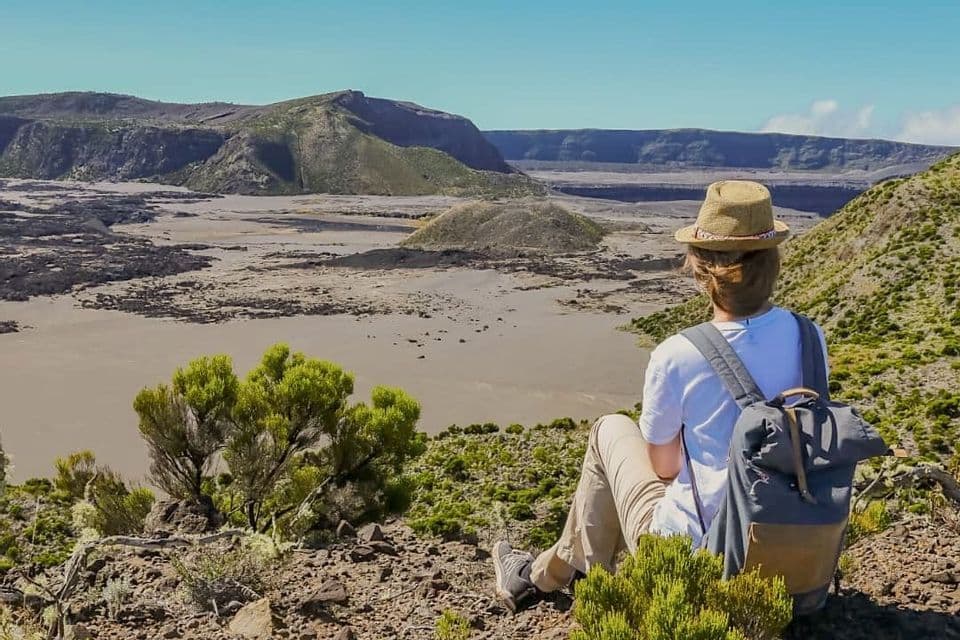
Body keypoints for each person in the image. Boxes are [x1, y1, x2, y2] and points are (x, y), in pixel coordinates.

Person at [492, 180, 828, 611]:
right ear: (773, 263)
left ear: (702, 268)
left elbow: (664, 468)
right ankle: (551, 571)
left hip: (705, 567)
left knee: (609, 430)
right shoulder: (810, 337)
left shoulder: (679, 353)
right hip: (794, 562)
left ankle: (585, 588)